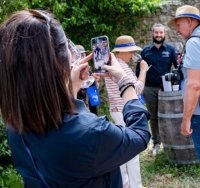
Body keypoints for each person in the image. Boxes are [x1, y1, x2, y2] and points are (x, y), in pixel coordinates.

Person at [0, 9, 151, 188]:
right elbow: (140, 136)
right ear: (61, 59)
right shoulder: (91, 132)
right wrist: (125, 82)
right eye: (67, 45)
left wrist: (70, 85)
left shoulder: (15, 125)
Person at [104, 35, 149, 188]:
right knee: (132, 150)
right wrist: (144, 71)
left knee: (122, 147)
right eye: (131, 52)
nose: (132, 55)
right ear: (124, 51)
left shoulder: (114, 64)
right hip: (124, 110)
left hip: (116, 109)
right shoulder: (121, 66)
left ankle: (125, 183)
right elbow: (136, 89)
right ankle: (136, 185)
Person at [136, 23, 178, 156]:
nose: (159, 35)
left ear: (164, 34)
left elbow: (177, 68)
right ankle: (156, 143)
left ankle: (169, 142)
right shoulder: (145, 51)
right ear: (152, 34)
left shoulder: (171, 50)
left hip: (167, 90)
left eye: (161, 32)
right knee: (153, 117)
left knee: (168, 116)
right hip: (149, 89)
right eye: (156, 33)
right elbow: (139, 71)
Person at [168, 5, 200, 160]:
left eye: (179, 25)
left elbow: (194, 85)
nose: (177, 30)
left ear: (190, 21)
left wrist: (186, 120)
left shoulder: (194, 43)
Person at [76, 44, 99, 115]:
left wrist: (96, 84)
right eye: (80, 55)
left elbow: (94, 99)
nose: (83, 56)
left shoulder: (89, 71)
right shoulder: (73, 73)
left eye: (84, 54)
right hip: (79, 109)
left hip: (89, 106)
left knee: (94, 110)